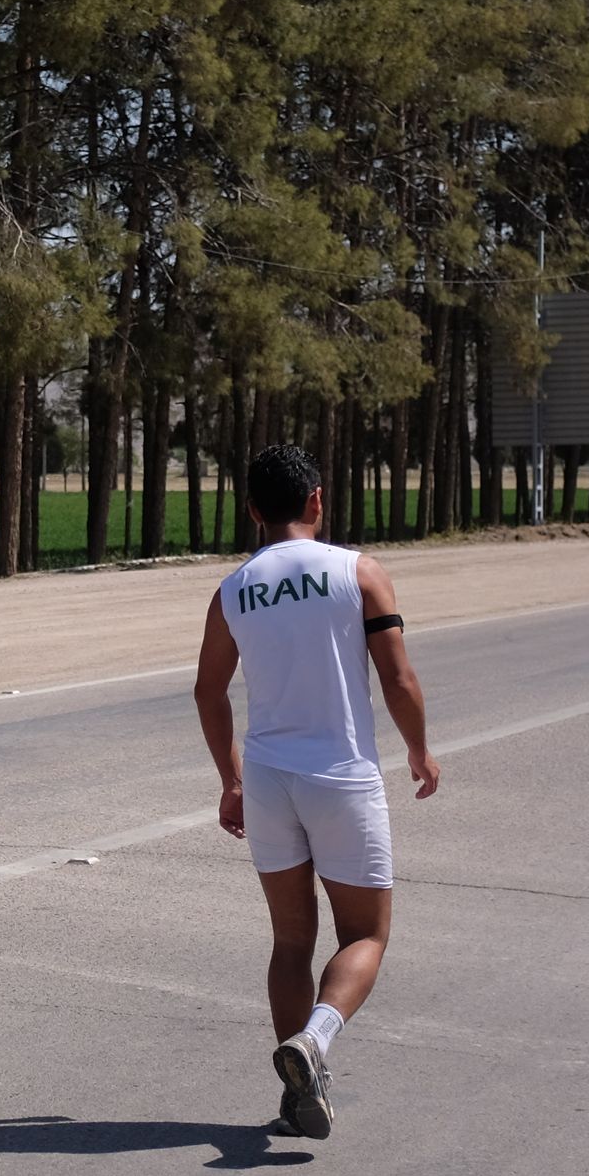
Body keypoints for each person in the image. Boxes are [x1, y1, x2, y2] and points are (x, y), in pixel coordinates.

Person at [192, 445, 438, 1140]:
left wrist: (231, 779)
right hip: (342, 777)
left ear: (252, 513)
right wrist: (418, 750)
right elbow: (396, 678)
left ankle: (298, 1094)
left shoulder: (233, 589)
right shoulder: (358, 571)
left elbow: (209, 692)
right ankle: (316, 1041)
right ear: (318, 501)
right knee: (365, 934)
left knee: (291, 939)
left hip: (270, 780)